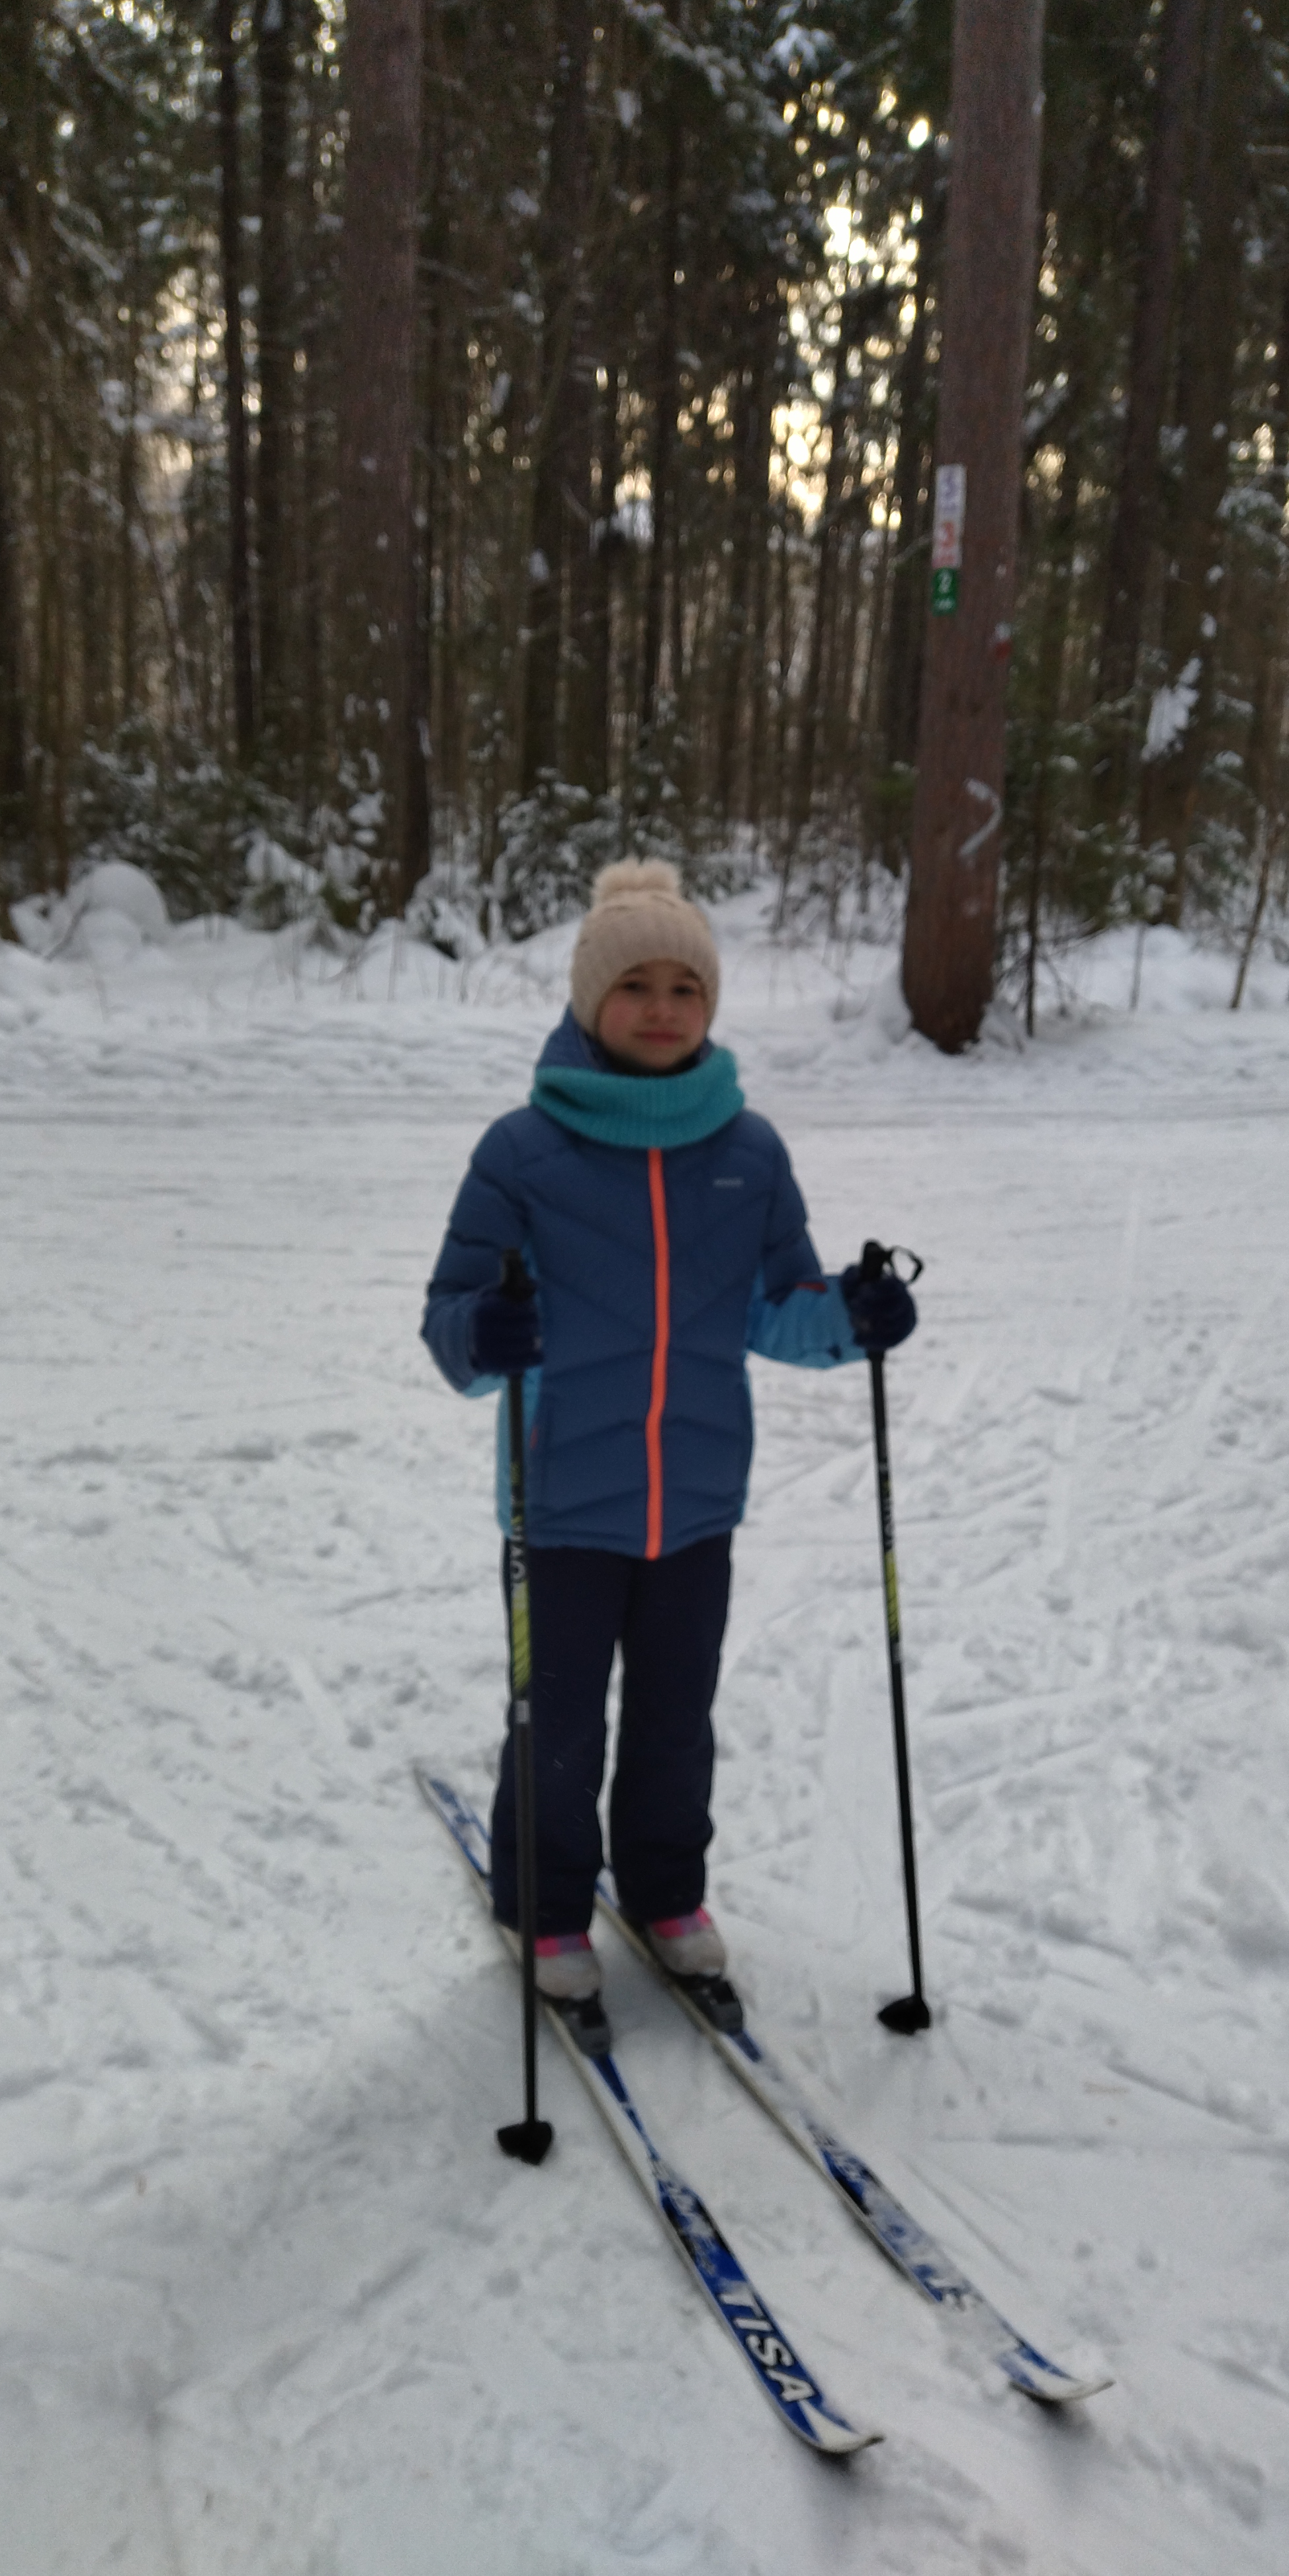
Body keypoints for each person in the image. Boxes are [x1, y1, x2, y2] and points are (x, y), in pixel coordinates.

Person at [421, 860, 917, 2052]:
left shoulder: (747, 1151)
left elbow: (779, 1306)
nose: (660, 1008)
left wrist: (853, 1317)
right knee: (558, 1721)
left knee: (675, 1717)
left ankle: (662, 1889)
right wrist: (486, 1333)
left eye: (684, 987)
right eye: (634, 986)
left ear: (711, 1005)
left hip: (694, 1504)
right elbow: (452, 1323)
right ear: (590, 1000)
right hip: (562, 1504)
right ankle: (545, 1905)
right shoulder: (522, 1153)